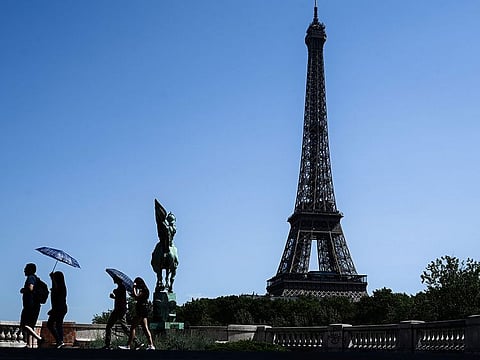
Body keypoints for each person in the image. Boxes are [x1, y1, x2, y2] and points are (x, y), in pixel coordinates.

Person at [103, 277, 142, 350]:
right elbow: (120, 299)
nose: (113, 279)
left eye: (115, 279)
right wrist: (114, 296)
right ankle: (108, 344)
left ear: (118, 280)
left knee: (124, 327)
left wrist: (115, 293)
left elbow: (121, 299)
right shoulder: (120, 288)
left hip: (120, 310)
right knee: (110, 326)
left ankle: (137, 341)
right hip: (117, 309)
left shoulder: (122, 288)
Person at [120, 277, 155, 350]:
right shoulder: (144, 290)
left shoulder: (144, 290)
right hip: (143, 310)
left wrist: (134, 288)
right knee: (145, 328)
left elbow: (136, 296)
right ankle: (151, 345)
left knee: (133, 327)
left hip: (141, 311)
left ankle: (128, 345)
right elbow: (136, 297)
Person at [19, 263, 44, 348]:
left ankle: (39, 338)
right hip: (35, 305)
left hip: (30, 305)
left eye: (26, 268)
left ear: (30, 270)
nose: (24, 270)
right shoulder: (36, 278)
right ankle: (29, 344)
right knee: (30, 326)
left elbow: (30, 288)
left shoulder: (31, 278)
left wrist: (23, 290)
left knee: (24, 325)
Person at [46, 271, 67, 348]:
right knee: (58, 324)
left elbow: (57, 289)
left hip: (59, 308)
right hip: (60, 308)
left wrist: (52, 278)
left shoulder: (60, 288)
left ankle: (59, 341)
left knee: (51, 324)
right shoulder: (59, 287)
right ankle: (60, 341)